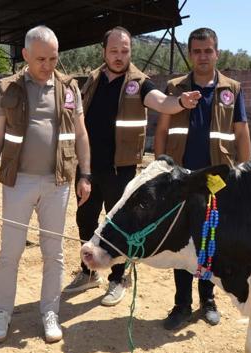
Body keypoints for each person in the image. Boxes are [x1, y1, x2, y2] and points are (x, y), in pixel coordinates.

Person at [63, 26, 203, 306]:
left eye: (124, 51)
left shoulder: (139, 83)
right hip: (89, 167)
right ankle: (89, 272)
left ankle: (118, 278)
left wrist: (181, 103)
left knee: (119, 225)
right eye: (114, 51)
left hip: (120, 170)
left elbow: (161, 102)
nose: (119, 56)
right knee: (85, 220)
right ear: (104, 51)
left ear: (130, 52)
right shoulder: (90, 80)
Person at [0, 25, 91, 344]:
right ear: (26, 55)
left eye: (53, 58)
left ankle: (50, 312)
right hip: (18, 182)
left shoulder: (70, 88)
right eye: (41, 58)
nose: (47, 65)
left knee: (53, 253)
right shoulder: (9, 88)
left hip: (57, 184)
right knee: (10, 253)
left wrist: (85, 174)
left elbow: (81, 134)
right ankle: (3, 312)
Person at [154, 27, 251, 330]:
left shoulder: (231, 89)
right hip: (182, 177)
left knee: (209, 241)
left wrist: (245, 175)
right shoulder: (175, 87)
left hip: (216, 180)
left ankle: (207, 300)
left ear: (217, 52)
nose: (202, 56)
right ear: (190, 54)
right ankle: (181, 304)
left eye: (208, 50)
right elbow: (162, 130)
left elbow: (241, 133)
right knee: (181, 242)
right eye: (196, 51)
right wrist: (160, 168)